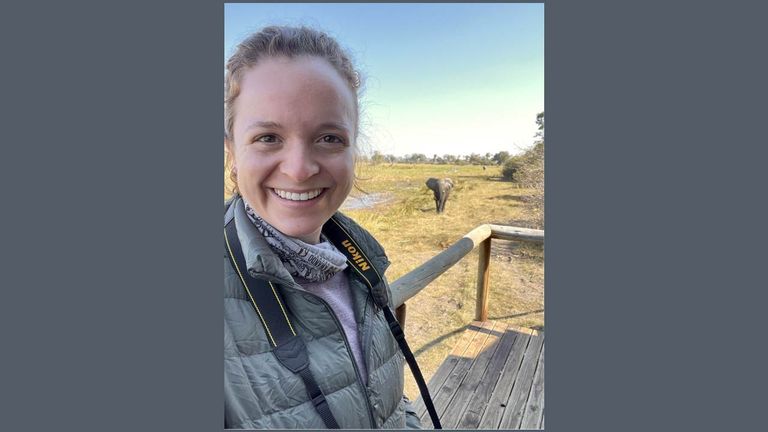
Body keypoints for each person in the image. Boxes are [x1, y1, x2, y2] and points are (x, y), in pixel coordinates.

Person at [223, 26, 422, 429]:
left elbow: (389, 400)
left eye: (329, 138)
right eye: (267, 137)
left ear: (353, 152)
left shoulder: (360, 259)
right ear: (231, 153)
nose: (299, 169)